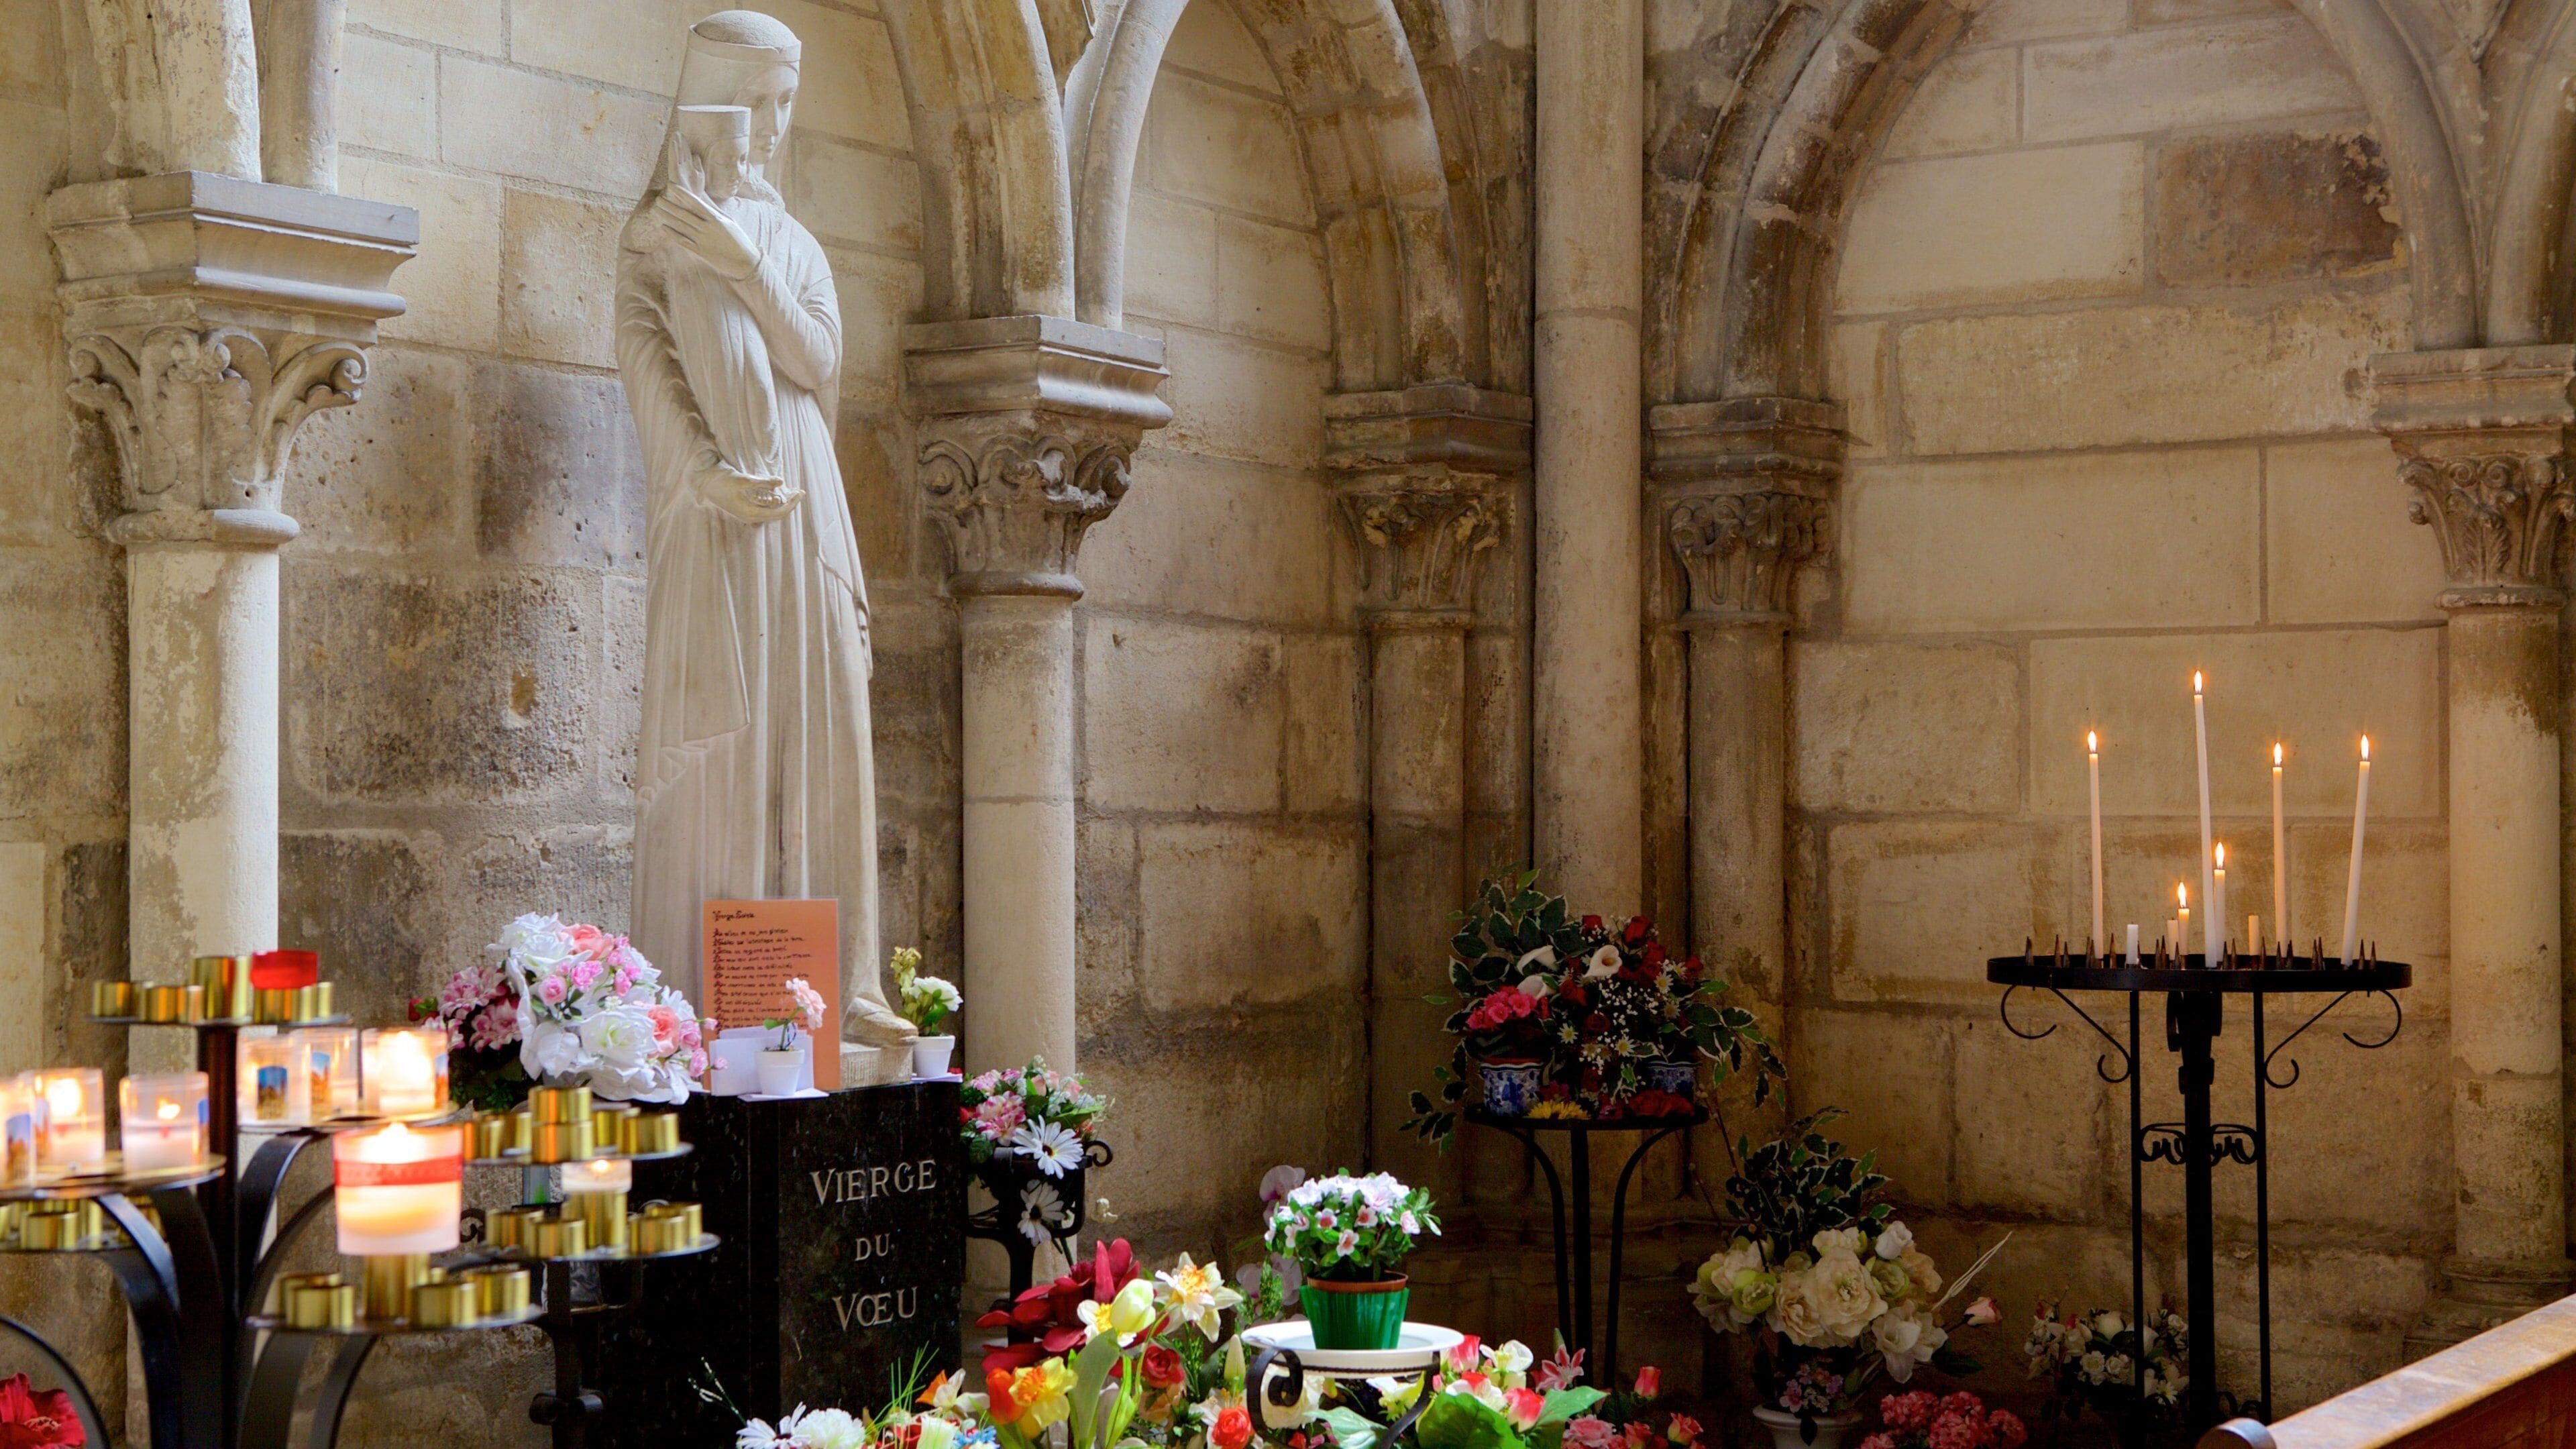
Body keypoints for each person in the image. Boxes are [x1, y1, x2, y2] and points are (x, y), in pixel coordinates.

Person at [615, 11, 914, 1054]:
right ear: (715, 105)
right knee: (731, 741)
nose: (775, 125)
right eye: (760, 103)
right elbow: (649, 365)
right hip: (720, 512)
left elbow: (818, 358)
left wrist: (747, 263)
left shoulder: (789, 242)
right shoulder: (652, 239)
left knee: (826, 717)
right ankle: (713, 996)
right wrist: (702, 475)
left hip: (807, 500)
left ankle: (840, 983)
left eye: (787, 104)